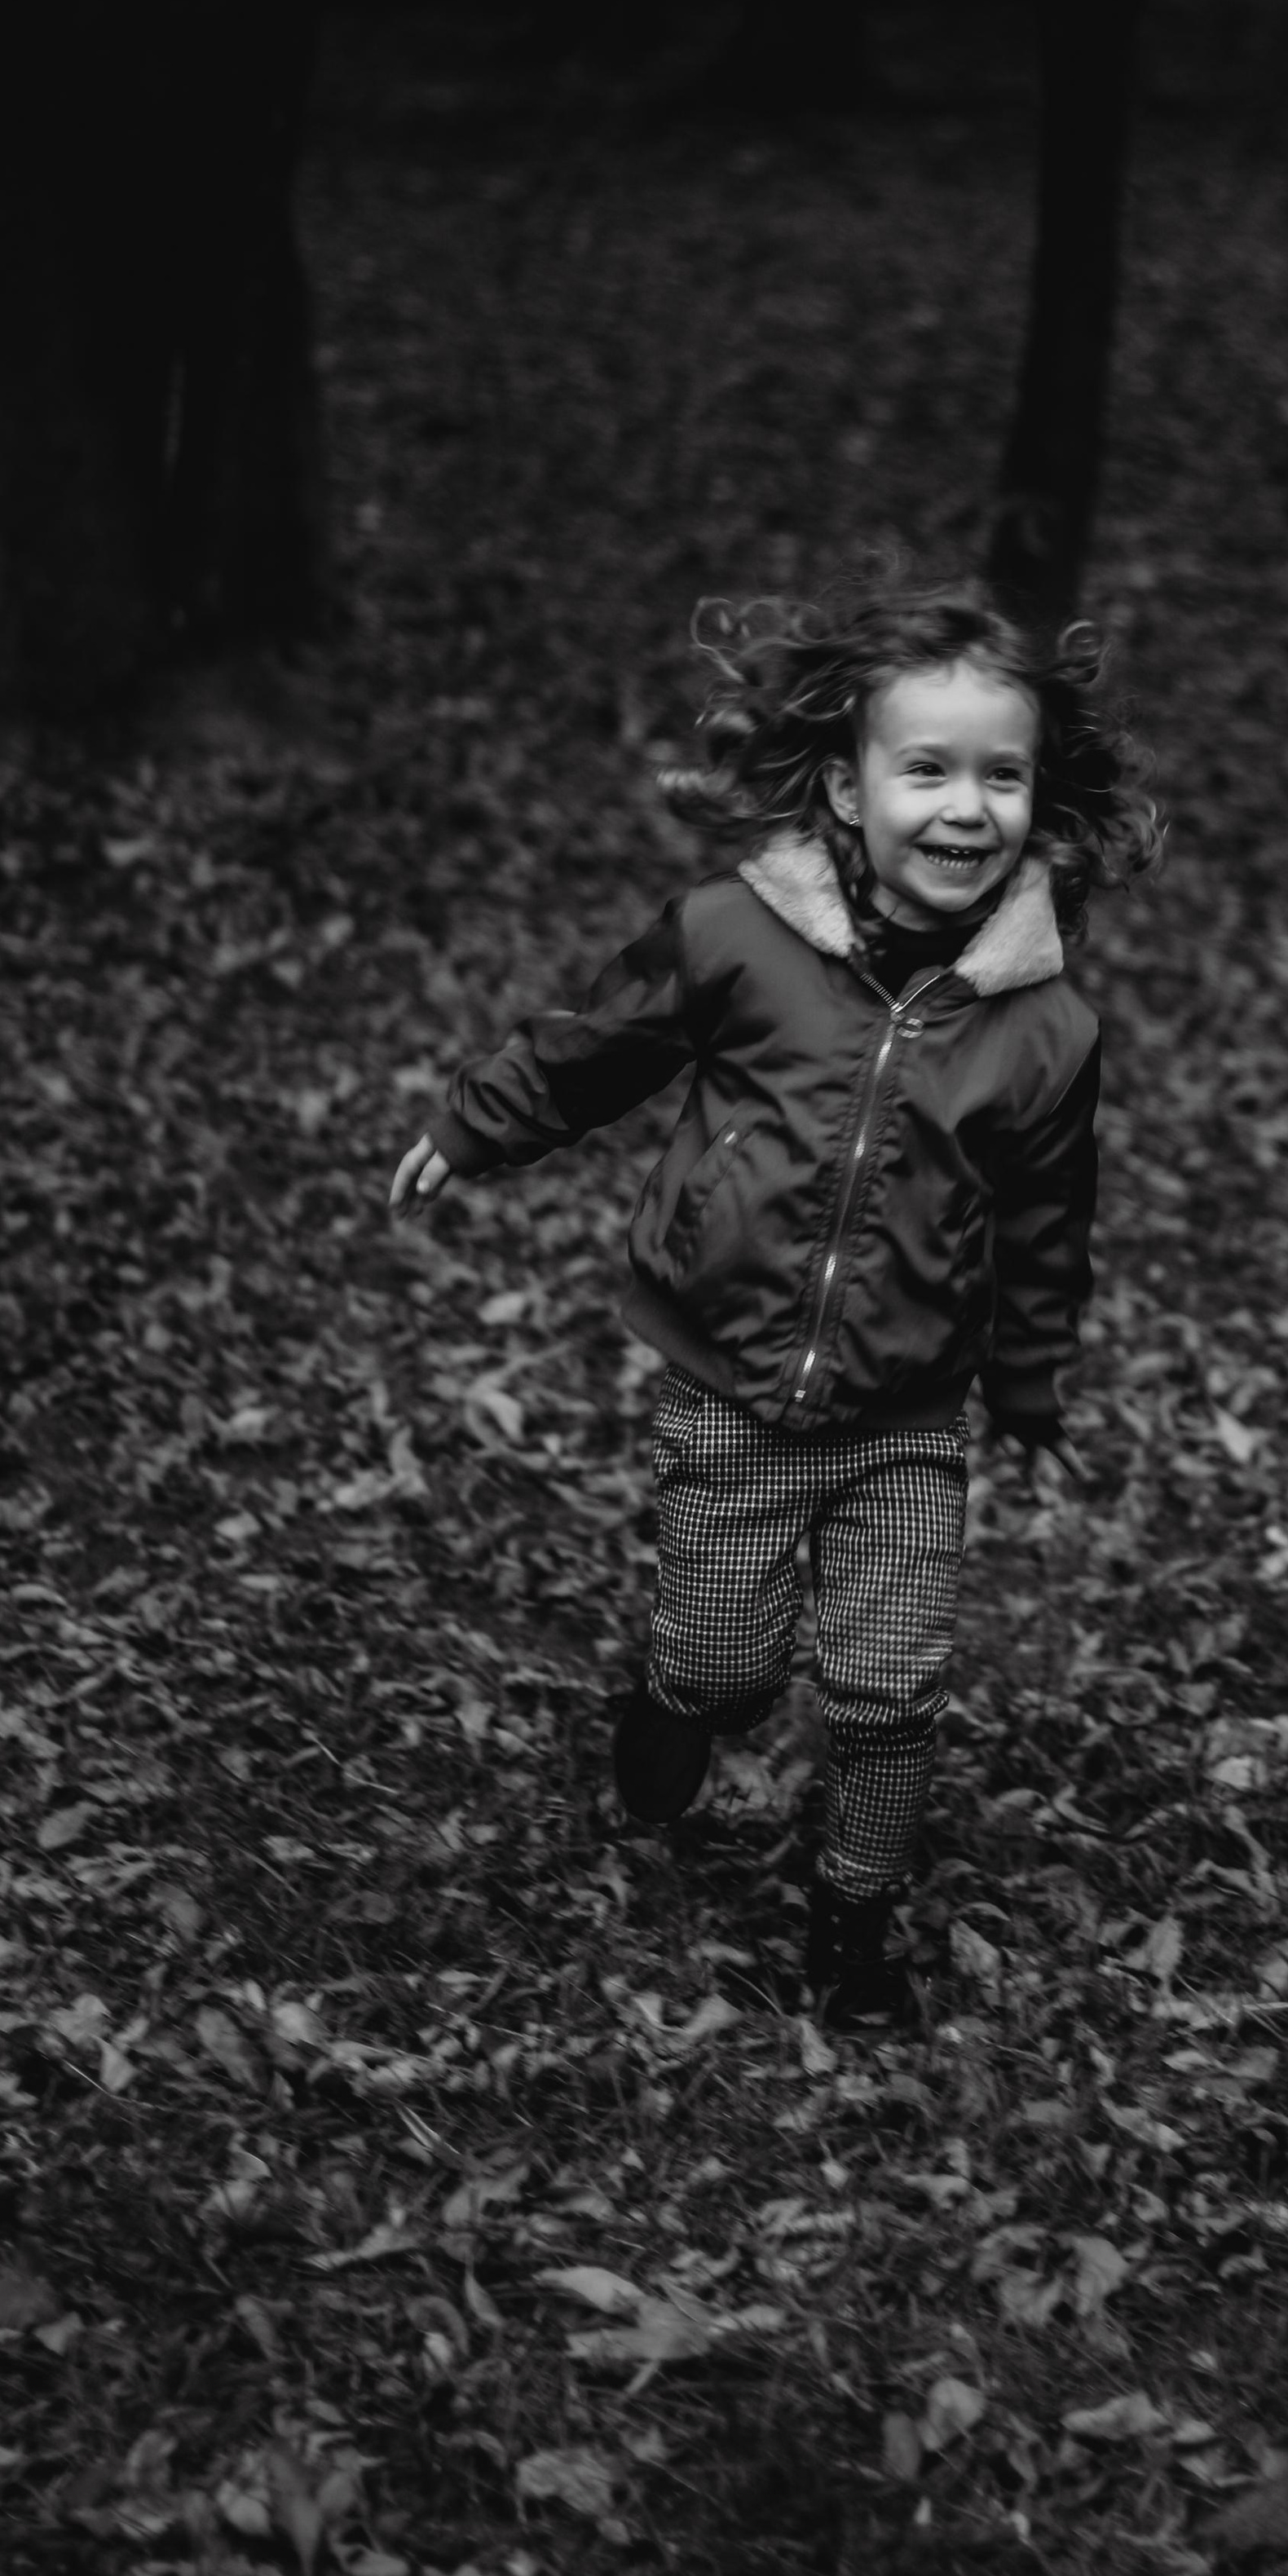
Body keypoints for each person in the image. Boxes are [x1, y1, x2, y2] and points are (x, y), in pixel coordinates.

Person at [389, 590, 1159, 2027]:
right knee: (723, 1656)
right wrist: (482, 1123)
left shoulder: (1049, 1028)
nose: (966, 804)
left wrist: (1034, 1376)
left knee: (887, 1696)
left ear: (1040, 802)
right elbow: (598, 1048)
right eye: (926, 768)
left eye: (1002, 774)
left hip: (911, 1416)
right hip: (734, 1392)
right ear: (845, 787)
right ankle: (673, 1705)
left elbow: (1053, 1221)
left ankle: (856, 1930)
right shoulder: (736, 937)